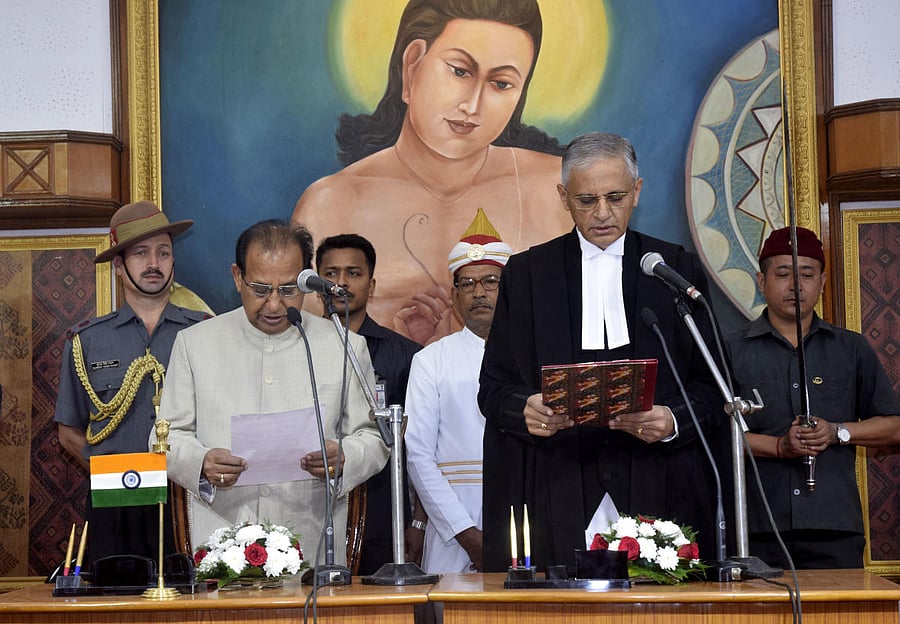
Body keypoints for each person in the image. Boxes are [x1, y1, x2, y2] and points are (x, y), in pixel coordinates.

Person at [478, 132, 727, 571]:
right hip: (556, 487)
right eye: (586, 200)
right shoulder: (528, 274)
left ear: (637, 191)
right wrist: (528, 410)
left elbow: (715, 387)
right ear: (563, 197)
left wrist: (672, 420)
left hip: (658, 481)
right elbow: (495, 389)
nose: (602, 214)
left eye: (615, 197)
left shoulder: (673, 269)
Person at [292, 0, 571, 346]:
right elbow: (304, 345)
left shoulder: (556, 190)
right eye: (459, 71)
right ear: (412, 65)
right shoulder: (330, 204)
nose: (472, 105)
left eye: (501, 84)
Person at [155, 219, 389, 565]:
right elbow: (164, 436)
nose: (275, 305)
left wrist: (345, 456)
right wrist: (201, 461)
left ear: (305, 279)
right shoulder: (194, 344)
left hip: (313, 539)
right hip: (220, 537)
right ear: (237, 277)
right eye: (261, 290)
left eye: (289, 290)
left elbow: (374, 436)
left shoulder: (345, 346)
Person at [725, 226, 900, 569]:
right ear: (761, 281)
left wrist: (837, 432)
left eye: (806, 274)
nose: (795, 286)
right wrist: (778, 447)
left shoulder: (851, 348)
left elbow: (893, 427)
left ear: (822, 282)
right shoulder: (729, 349)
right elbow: (712, 437)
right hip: (756, 527)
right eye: (783, 274)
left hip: (833, 526)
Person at [54, 200, 207, 564]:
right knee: (116, 603)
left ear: (173, 261)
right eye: (141, 253)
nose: (154, 263)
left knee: (190, 607)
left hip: (186, 498)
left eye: (163, 252)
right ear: (119, 265)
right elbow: (68, 432)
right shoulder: (87, 341)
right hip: (115, 501)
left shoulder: (205, 333)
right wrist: (115, 475)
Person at [405, 209, 511, 573]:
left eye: (491, 281)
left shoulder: (535, 357)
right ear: (453, 295)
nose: (478, 292)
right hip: (451, 525)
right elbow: (418, 454)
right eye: (467, 283)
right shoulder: (431, 360)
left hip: (521, 520)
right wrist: (466, 534)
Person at [314, 233, 423, 574]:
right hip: (311, 512)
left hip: (382, 514)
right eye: (330, 273)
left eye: (353, 273)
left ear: (371, 285)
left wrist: (417, 524)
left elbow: (419, 446)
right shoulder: (300, 348)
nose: (340, 283)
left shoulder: (406, 356)